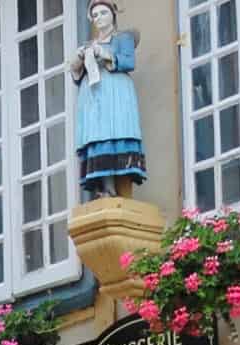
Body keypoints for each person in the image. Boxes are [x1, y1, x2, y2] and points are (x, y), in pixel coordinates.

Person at [69, 2, 145, 199]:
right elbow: (76, 75)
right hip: (94, 96)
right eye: (95, 15)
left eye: (103, 13)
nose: (99, 18)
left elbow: (129, 61)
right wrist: (77, 61)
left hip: (116, 93)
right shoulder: (88, 45)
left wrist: (106, 54)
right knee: (99, 136)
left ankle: (122, 190)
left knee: (118, 132)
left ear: (112, 15)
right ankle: (108, 189)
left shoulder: (123, 38)